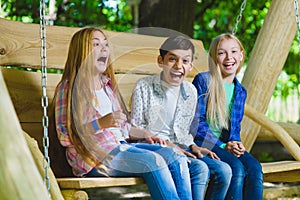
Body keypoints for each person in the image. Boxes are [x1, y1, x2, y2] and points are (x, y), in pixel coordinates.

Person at [54, 27, 195, 200]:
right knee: (154, 161)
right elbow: (65, 135)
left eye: (105, 44)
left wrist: (145, 133)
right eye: (96, 44)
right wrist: (100, 123)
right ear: (81, 52)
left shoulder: (107, 86)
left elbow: (122, 127)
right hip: (94, 159)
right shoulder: (68, 89)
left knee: (175, 156)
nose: (104, 48)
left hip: (121, 147)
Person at [131, 35, 232, 200]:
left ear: (191, 66)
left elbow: (183, 131)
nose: (178, 66)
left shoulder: (190, 91)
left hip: (182, 148)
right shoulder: (144, 86)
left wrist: (193, 146)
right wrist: (167, 144)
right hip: (154, 149)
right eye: (172, 59)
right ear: (160, 60)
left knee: (224, 171)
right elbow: (136, 130)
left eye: (185, 61)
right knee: (200, 169)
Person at [191, 33, 263, 200]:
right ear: (214, 57)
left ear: (241, 55)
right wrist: (223, 147)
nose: (229, 57)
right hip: (202, 141)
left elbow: (235, 128)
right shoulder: (203, 81)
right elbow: (196, 124)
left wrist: (236, 144)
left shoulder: (240, 91)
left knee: (254, 168)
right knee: (236, 169)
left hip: (224, 145)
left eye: (233, 52)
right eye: (222, 52)